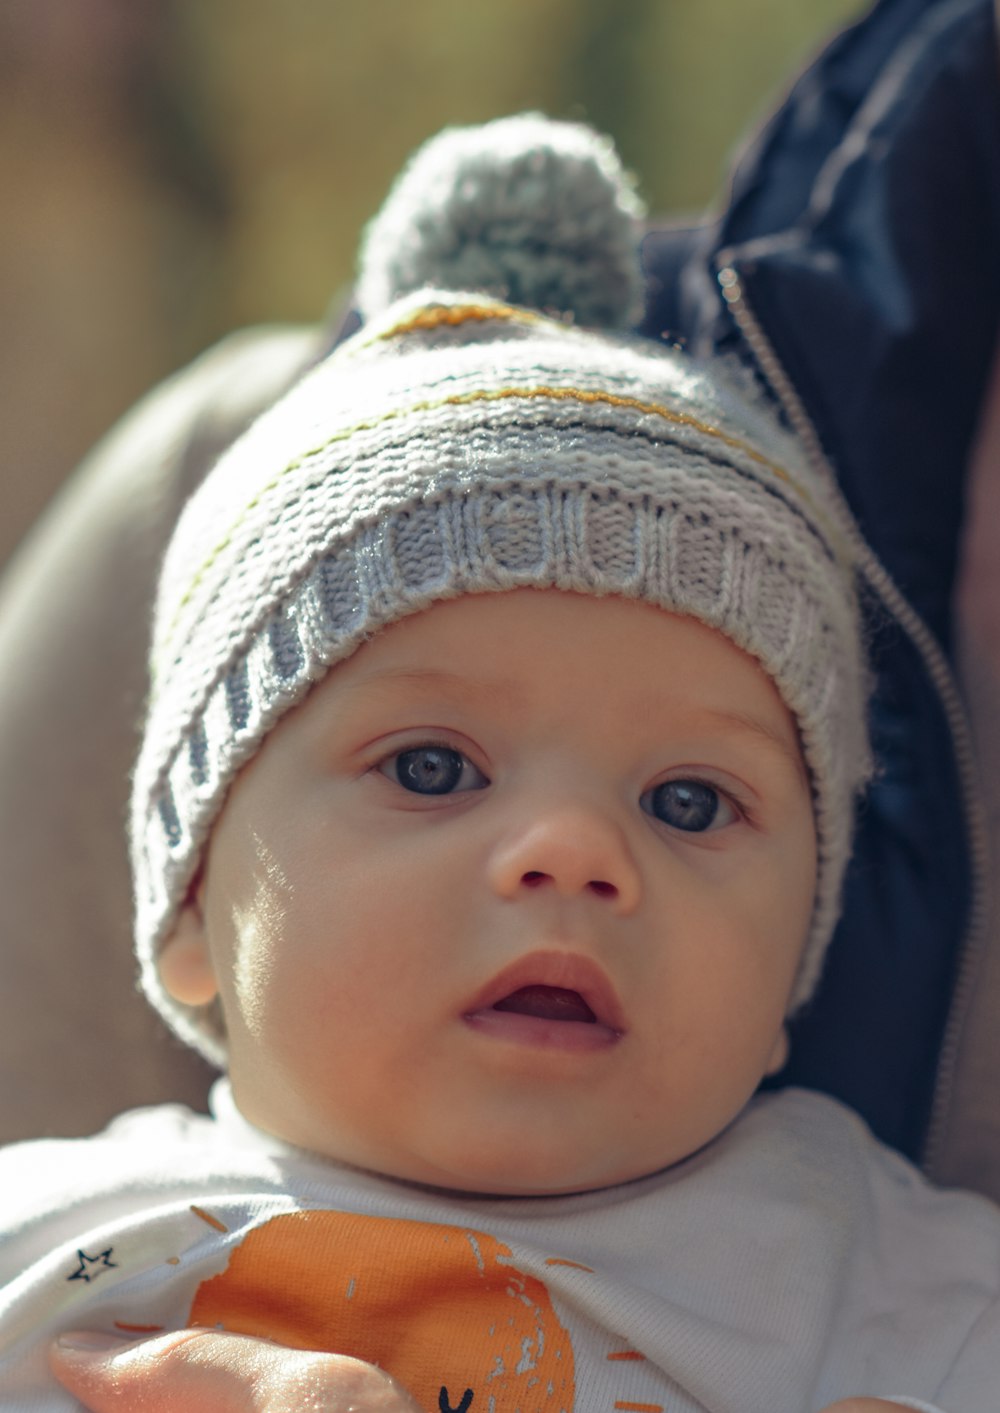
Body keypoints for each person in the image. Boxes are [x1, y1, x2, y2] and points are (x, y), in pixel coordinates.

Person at [0, 116, 991, 1413]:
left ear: (792, 974)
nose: (575, 849)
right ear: (187, 899)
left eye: (690, 800)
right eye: (430, 767)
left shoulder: (907, 1288)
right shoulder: (57, 1237)